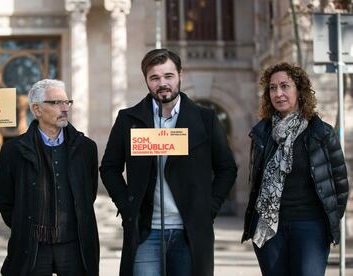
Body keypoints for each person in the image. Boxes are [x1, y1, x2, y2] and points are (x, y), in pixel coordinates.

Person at [100, 48, 237, 276]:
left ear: (180, 75)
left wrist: (209, 207)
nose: (162, 83)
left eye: (168, 76)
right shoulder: (128, 119)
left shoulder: (205, 119)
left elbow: (227, 169)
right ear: (146, 80)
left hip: (189, 232)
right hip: (145, 233)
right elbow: (109, 169)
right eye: (154, 78)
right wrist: (126, 206)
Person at [242, 62, 350, 276]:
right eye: (272, 88)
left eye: (285, 86)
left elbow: (340, 185)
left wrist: (328, 221)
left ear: (299, 91)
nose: (278, 93)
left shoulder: (321, 133)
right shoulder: (262, 133)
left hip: (311, 227)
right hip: (269, 228)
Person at [0, 79, 99, 276]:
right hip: (32, 247)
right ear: (37, 110)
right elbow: (5, 199)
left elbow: (88, 193)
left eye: (67, 102)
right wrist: (24, 224)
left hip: (74, 246)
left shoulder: (86, 148)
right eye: (57, 103)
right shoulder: (13, 151)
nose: (65, 108)